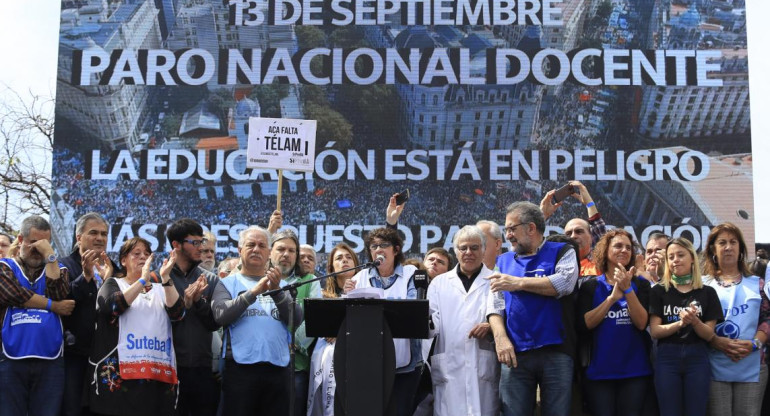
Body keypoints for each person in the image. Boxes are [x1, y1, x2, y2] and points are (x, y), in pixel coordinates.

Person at [487, 201, 579, 416]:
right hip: (515, 353)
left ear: (531, 228)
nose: (508, 235)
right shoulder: (503, 260)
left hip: (556, 351)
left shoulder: (562, 250)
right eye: (506, 229)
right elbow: (495, 304)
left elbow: (564, 284)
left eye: (512, 228)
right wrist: (500, 338)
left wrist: (518, 283)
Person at [212, 226, 302, 416]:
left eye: (262, 245)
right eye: (251, 244)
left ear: (269, 252)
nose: (256, 249)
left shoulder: (283, 285)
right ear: (240, 250)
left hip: (278, 368)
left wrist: (277, 291)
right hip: (239, 369)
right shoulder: (227, 283)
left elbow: (297, 319)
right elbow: (220, 315)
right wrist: (253, 292)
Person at [88, 237, 184, 416]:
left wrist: (165, 278)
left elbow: (178, 313)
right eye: (137, 254)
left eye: (147, 254)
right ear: (123, 260)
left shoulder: (161, 289)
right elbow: (112, 306)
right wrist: (141, 281)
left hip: (156, 377)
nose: (143, 258)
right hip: (121, 379)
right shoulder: (113, 284)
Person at [0, 215, 74, 416]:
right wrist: (53, 306)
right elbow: (11, 294)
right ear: (21, 240)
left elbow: (58, 291)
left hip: (50, 361)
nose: (38, 249)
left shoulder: (59, 269)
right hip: (9, 359)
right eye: (34, 242)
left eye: (45, 243)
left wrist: (50, 256)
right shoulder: (5, 267)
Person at [347, 227, 423, 416]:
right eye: (374, 246)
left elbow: (412, 309)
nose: (378, 249)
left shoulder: (410, 273)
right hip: (370, 364)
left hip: (404, 365)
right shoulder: (360, 277)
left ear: (395, 250)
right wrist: (347, 295)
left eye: (384, 245)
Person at [577, 229, 652, 416]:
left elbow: (642, 323)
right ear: (605, 250)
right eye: (618, 245)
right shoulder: (591, 286)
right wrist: (611, 299)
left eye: (628, 247)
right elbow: (585, 323)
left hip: (635, 371)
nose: (624, 250)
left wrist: (627, 290)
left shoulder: (641, 285)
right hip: (600, 371)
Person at [427, 225, 500, 416]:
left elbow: (504, 318)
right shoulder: (439, 284)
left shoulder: (495, 280)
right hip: (449, 367)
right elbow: (431, 326)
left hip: (483, 367)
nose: (469, 252)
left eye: (475, 248)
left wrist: (490, 326)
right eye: (463, 248)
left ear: (484, 250)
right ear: (456, 251)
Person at [649, 237, 723, 416]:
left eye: (680, 255)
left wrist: (695, 321)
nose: (675, 260)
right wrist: (680, 323)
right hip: (667, 357)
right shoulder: (659, 291)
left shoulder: (708, 292)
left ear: (692, 258)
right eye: (671, 257)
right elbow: (656, 331)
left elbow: (709, 335)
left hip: (697, 357)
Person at [701, 223, 769, 416]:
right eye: (722, 242)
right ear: (713, 249)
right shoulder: (702, 285)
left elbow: (768, 318)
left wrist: (755, 343)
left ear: (740, 249)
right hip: (714, 365)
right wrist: (716, 341)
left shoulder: (759, 284)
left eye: (733, 242)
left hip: (753, 365)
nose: (728, 247)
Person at [59, 212, 119, 416]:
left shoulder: (114, 268)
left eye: (104, 234)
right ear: (78, 237)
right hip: (74, 353)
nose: (100, 238)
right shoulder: (63, 265)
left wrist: (110, 280)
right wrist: (85, 277)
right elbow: (63, 302)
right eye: (93, 233)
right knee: (72, 408)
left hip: (106, 355)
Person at [165, 219, 222, 416]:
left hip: (202, 369)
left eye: (202, 241)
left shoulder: (211, 280)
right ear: (176, 245)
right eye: (195, 243)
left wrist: (198, 302)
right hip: (167, 368)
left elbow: (214, 323)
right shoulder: (159, 277)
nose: (201, 247)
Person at [308, 242, 361, 415]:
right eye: (339, 258)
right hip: (327, 366)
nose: (345, 261)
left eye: (349, 257)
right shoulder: (322, 296)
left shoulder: (368, 292)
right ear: (331, 267)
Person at [272, 232, 320, 416]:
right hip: (266, 363)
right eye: (281, 249)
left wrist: (295, 342)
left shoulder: (309, 281)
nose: (286, 254)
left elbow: (314, 318)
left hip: (297, 364)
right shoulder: (261, 279)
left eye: (292, 250)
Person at [541, 181, 606, 279]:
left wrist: (589, 203)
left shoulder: (602, 262)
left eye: (579, 231)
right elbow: (531, 243)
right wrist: (542, 215)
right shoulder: (555, 263)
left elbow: (598, 225)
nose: (573, 236)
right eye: (568, 233)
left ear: (592, 236)